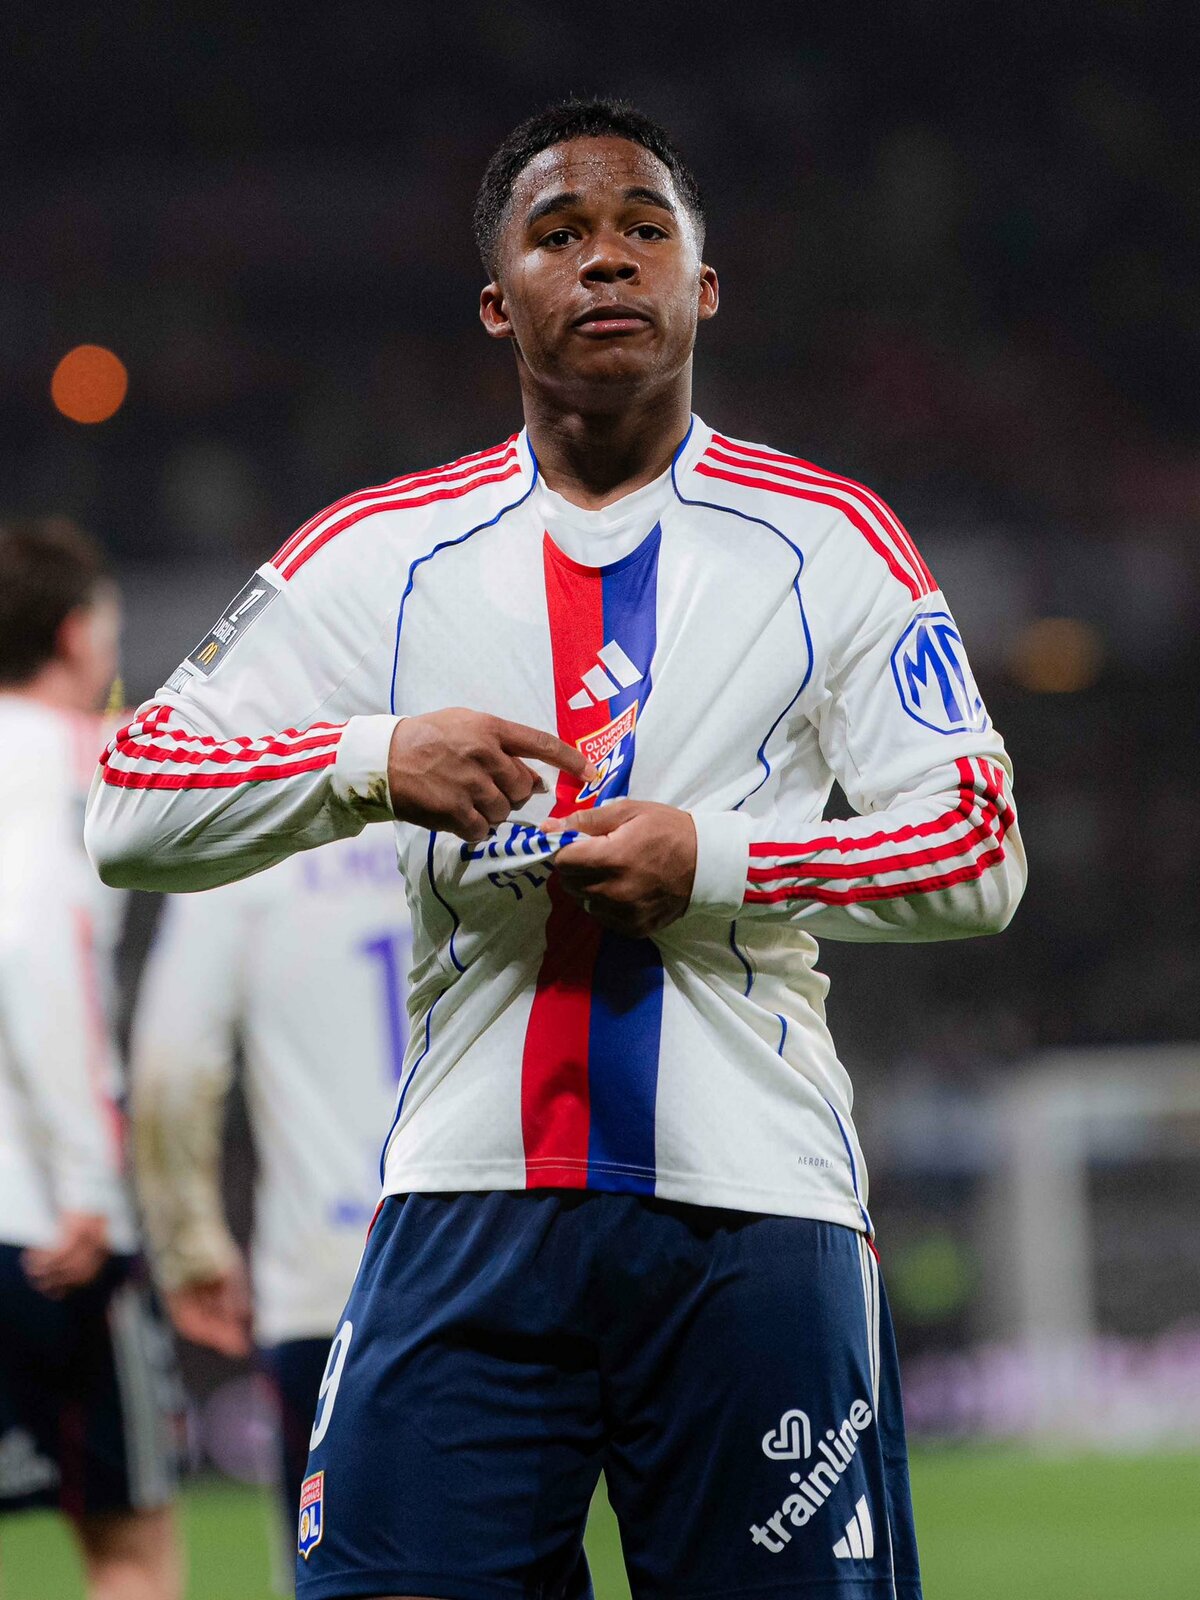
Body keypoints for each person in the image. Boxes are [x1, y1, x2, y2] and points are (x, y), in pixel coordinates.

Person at [85, 98, 1026, 1600]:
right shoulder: (381, 552)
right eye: (560, 233)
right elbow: (133, 800)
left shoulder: (830, 538)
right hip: (467, 1201)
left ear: (702, 287)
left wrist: (714, 861)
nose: (606, 260)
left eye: (645, 230)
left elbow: (979, 846)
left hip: (754, 1206)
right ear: (497, 300)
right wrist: (372, 759)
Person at [129, 830, 413, 1548]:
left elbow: (172, 1067)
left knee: (340, 1574)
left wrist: (188, 1247)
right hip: (491, 1257)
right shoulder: (500, 810)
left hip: (329, 1285)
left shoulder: (252, 834)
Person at [0, 520, 181, 1600]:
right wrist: (91, 1190)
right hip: (41, 1226)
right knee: (131, 1548)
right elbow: (41, 947)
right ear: (75, 634)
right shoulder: (75, 766)